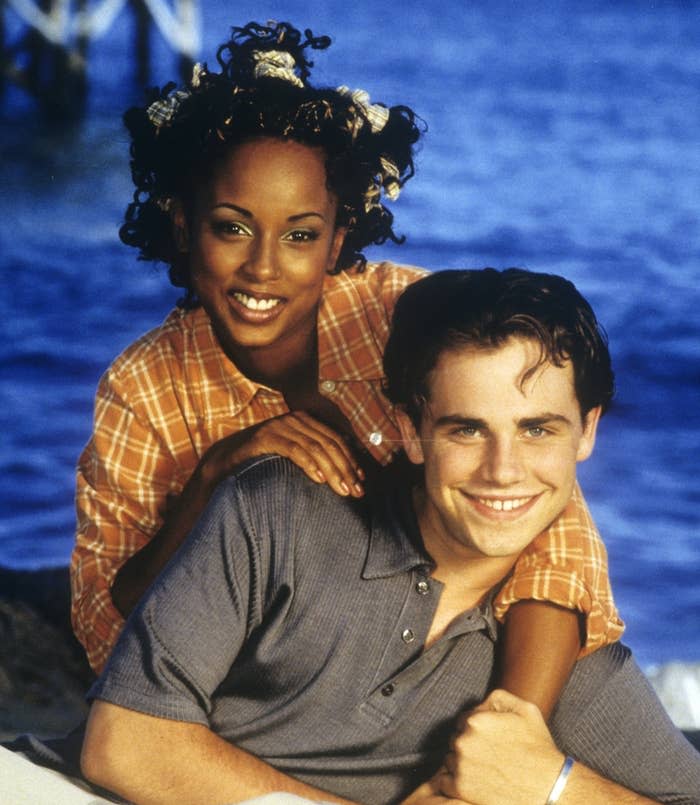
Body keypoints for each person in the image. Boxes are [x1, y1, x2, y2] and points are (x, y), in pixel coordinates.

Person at [71, 21, 622, 715]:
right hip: (281, 695)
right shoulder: (142, 387)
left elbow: (546, 512)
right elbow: (103, 631)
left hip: (471, 654)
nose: (263, 266)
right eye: (231, 226)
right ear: (183, 224)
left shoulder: (403, 312)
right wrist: (218, 471)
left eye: (301, 234)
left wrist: (516, 725)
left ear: (337, 240)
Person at [79, 268, 700, 805]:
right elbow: (121, 744)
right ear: (410, 430)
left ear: (587, 432)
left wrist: (555, 785)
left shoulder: (572, 666)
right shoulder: (277, 514)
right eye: (466, 431)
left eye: (538, 430)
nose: (503, 470)